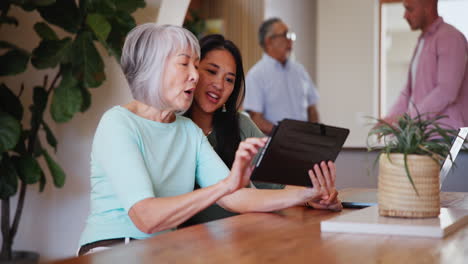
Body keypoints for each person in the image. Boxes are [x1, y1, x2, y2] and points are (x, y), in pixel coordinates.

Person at [78, 24, 340, 256]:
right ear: (153, 67)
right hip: (114, 248)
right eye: (185, 64)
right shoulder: (118, 123)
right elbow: (146, 218)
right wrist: (226, 185)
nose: (195, 75)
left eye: (196, 64)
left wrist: (309, 193)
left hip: (165, 250)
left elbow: (236, 198)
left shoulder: (187, 130)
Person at [184, 34, 340, 226]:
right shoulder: (177, 128)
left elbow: (278, 182)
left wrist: (313, 197)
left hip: (242, 236)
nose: (219, 85)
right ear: (193, 70)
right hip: (189, 243)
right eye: (211, 71)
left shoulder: (241, 125)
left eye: (230, 80)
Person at [383, 0, 468, 128]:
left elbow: (446, 91)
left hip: (446, 137)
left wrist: (408, 118)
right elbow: (408, 91)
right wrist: (388, 120)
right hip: (425, 136)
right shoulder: (423, 41)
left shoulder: (450, 37)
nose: (404, 16)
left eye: (409, 9)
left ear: (428, 7)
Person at [243, 18, 320, 134]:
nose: (290, 40)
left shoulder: (300, 70)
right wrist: (284, 134)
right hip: (275, 145)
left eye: (291, 35)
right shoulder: (256, 75)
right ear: (269, 41)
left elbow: (312, 109)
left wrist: (314, 134)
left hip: (304, 144)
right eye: (285, 35)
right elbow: (255, 119)